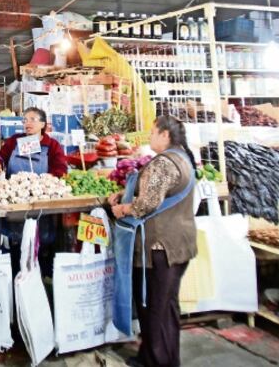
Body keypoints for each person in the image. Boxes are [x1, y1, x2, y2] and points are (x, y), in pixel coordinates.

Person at [108, 114, 197, 367]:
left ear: (165, 135)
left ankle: (155, 361)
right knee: (166, 307)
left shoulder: (163, 163)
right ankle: (165, 359)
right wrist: (125, 193)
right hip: (179, 245)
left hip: (160, 247)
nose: (149, 137)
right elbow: (159, 192)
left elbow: (148, 203)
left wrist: (124, 209)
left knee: (153, 308)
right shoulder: (184, 158)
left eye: (152, 132)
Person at [0, 107, 67, 274]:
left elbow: (61, 169)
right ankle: (15, 274)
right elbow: (0, 156)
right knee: (14, 245)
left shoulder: (52, 145)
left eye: (32, 119)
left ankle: (41, 275)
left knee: (40, 244)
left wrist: (44, 183)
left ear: (43, 124)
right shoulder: (15, 140)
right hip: (15, 201)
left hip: (41, 204)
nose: (27, 123)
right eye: (25, 120)